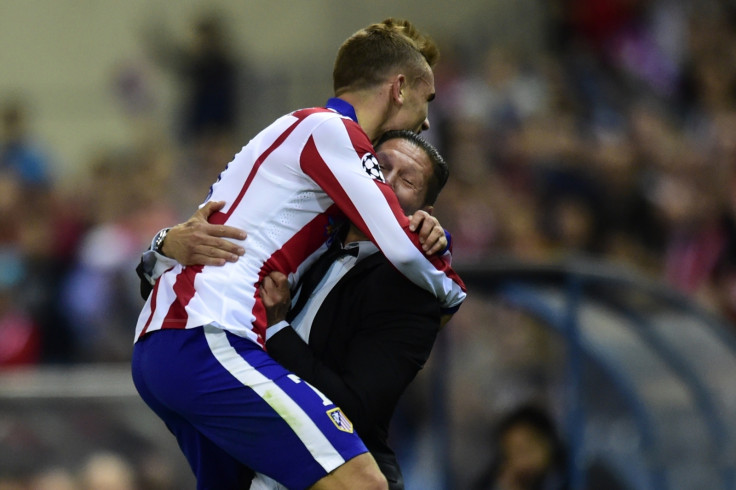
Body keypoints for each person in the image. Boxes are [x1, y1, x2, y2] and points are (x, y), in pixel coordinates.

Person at [132, 18, 466, 490]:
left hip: (166, 342)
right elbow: (405, 252)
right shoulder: (330, 132)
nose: (427, 120)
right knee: (365, 483)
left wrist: (161, 244)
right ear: (399, 87)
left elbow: (198, 236)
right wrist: (451, 288)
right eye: (426, 100)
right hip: (209, 336)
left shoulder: (300, 146)